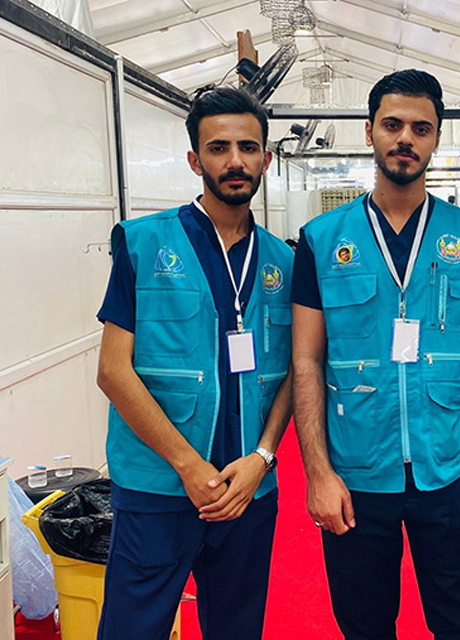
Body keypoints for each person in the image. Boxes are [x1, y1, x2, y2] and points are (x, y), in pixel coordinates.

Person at [291, 69, 460, 640]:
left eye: (421, 128)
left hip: (449, 472)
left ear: (436, 138)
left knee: (459, 624)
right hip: (356, 477)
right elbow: (306, 360)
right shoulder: (320, 239)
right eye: (392, 125)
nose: (405, 138)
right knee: (364, 627)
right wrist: (318, 472)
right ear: (369, 132)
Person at [95, 86, 294, 639]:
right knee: (132, 629)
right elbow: (113, 370)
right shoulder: (142, 243)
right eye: (219, 147)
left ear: (266, 160)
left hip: (247, 489)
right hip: (159, 488)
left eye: (248, 148)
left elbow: (293, 374)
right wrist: (187, 465)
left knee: (237, 629)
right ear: (194, 159)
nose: (235, 161)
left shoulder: (283, 261)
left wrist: (262, 458)